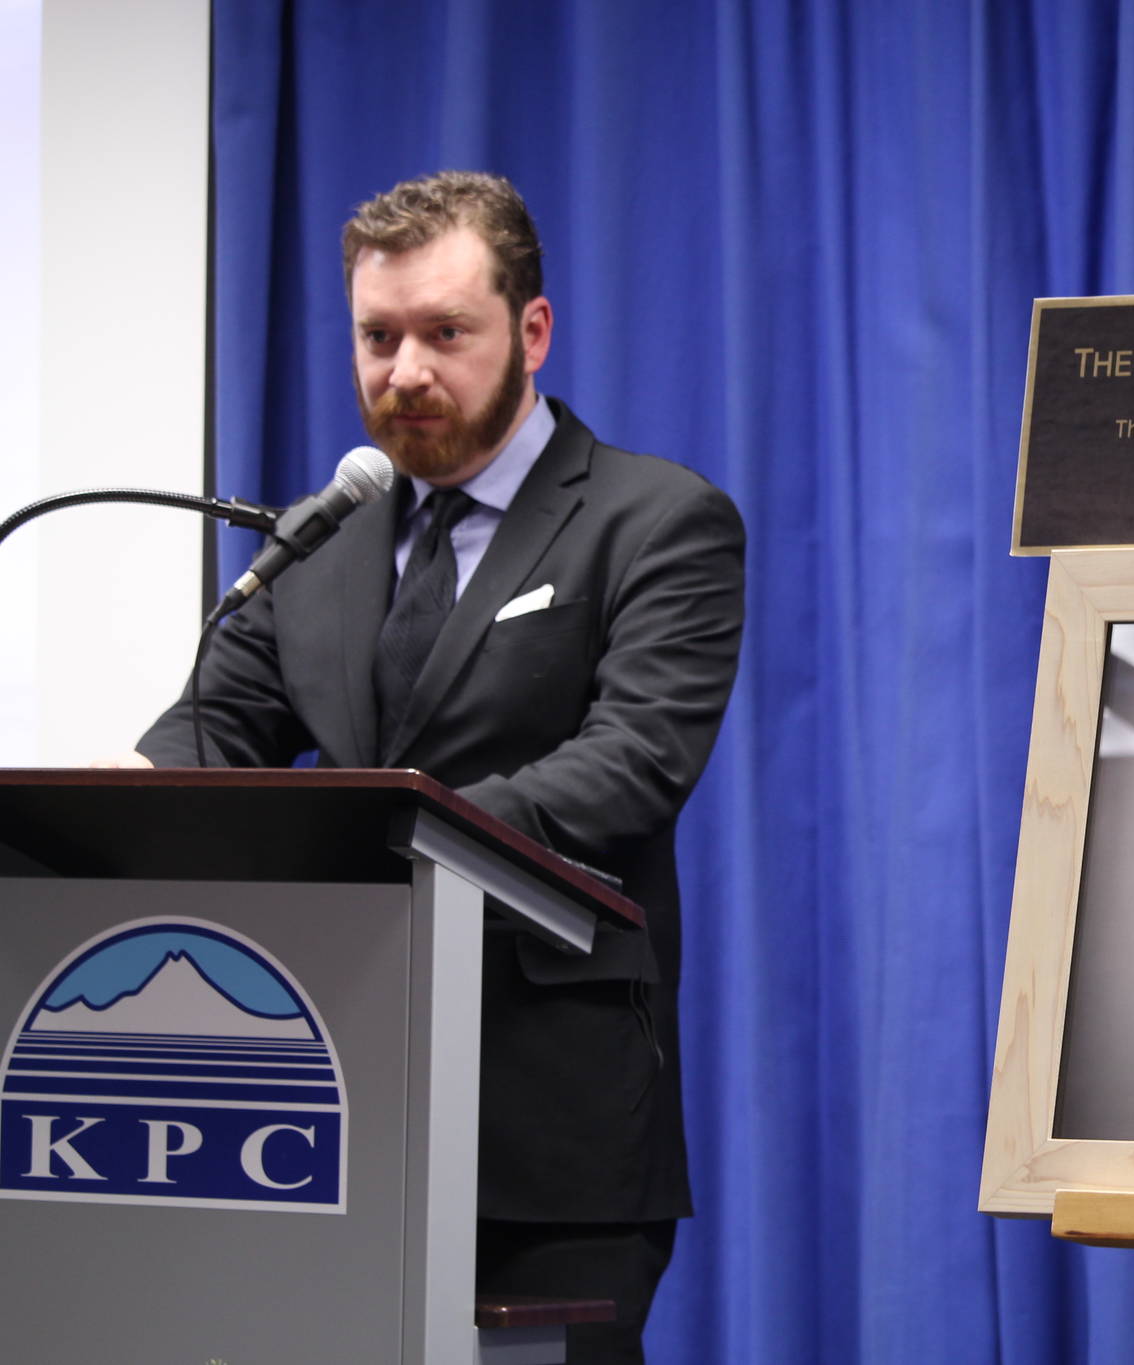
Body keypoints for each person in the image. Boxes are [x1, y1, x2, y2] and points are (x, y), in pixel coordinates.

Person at [111, 170, 744, 1363]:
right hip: (324, 1120)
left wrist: (392, 839)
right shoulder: (325, 533)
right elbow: (217, 726)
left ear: (532, 332)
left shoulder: (653, 521)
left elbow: (632, 765)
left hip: (545, 1142)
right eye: (377, 336)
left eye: (445, 333)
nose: (405, 372)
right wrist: (129, 787)